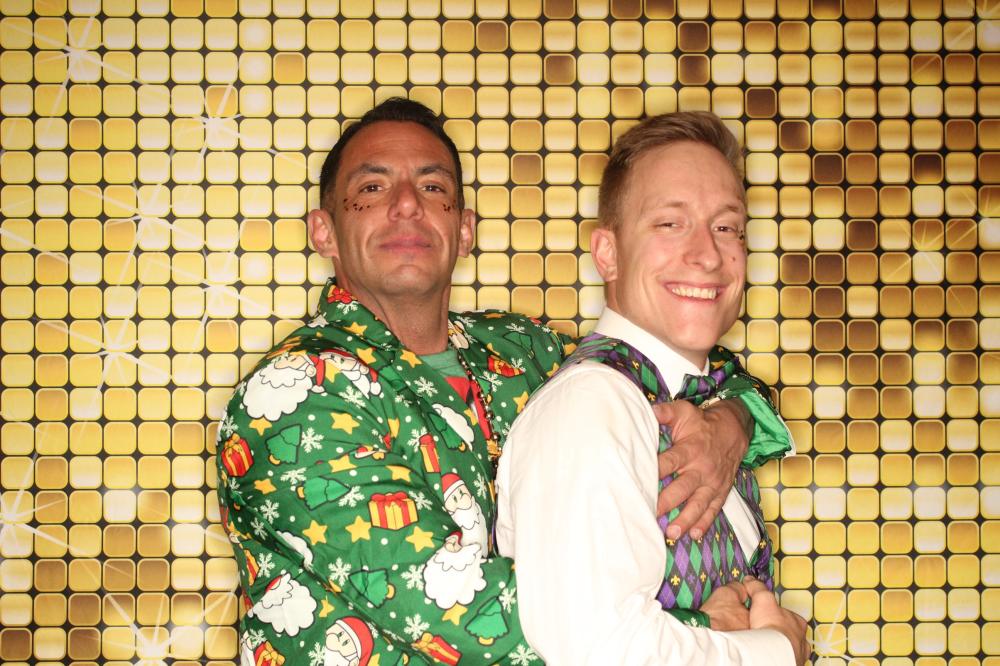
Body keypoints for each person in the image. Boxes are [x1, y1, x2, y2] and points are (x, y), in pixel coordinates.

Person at [217, 98, 795, 665]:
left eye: (433, 187)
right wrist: (714, 631)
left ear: (465, 229)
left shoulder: (521, 350)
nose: (407, 205)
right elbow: (457, 610)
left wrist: (733, 423)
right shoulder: (293, 393)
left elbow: (674, 365)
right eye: (372, 188)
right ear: (323, 231)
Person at [495, 111, 810, 665]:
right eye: (670, 223)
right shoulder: (593, 404)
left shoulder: (705, 400)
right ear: (608, 253)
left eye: (726, 228)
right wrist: (779, 651)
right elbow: (601, 651)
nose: (707, 255)